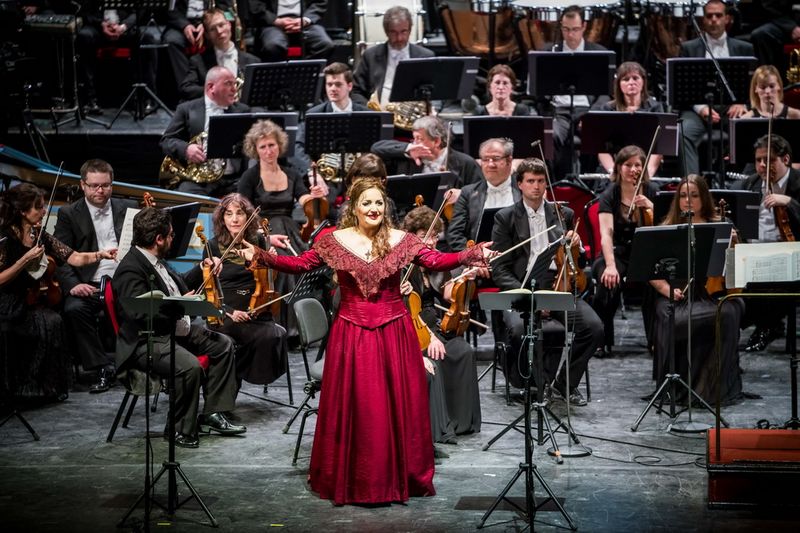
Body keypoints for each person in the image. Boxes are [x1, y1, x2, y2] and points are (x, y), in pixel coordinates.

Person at [236, 178, 495, 505]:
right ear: (354, 208)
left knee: (395, 404)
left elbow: (435, 260)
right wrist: (261, 255)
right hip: (351, 333)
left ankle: (395, 476)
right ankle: (356, 478)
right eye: (367, 203)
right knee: (359, 406)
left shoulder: (401, 239)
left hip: (394, 332)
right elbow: (301, 264)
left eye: (379, 203)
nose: (374, 209)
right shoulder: (335, 240)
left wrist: (471, 254)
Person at [112, 206, 245, 449]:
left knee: (223, 345)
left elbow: (178, 286)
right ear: (159, 239)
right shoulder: (131, 269)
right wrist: (180, 305)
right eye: (171, 235)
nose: (173, 239)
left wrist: (203, 268)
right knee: (189, 367)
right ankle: (177, 429)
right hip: (147, 340)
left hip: (174, 329)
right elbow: (139, 313)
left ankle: (212, 413)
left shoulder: (155, 259)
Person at [491, 158, 603, 405]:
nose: (536, 186)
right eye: (531, 181)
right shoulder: (505, 217)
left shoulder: (563, 214)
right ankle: (536, 386)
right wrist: (527, 296)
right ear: (520, 184)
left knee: (594, 328)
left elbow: (577, 263)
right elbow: (499, 269)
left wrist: (577, 248)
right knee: (520, 330)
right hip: (522, 287)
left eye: (541, 181)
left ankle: (564, 384)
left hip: (557, 286)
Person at [0, 183, 117, 400]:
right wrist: (24, 260)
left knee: (54, 321)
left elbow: (73, 257)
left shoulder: (38, 234)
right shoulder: (5, 238)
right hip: (6, 302)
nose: (44, 211)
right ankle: (13, 389)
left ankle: (41, 389)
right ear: (23, 211)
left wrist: (100, 254)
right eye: (38, 207)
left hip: (27, 301)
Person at [648, 175, 745, 405]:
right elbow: (651, 270)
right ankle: (674, 387)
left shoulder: (721, 226)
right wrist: (666, 289)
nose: (688, 200)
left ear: (704, 198)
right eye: (683, 196)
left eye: (694, 195)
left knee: (729, 312)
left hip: (712, 294)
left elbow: (737, 273)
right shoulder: (667, 227)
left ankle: (712, 388)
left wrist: (734, 246)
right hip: (678, 294)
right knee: (669, 316)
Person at [237, 119, 327, 334]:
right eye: (263, 147)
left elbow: (304, 200)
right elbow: (243, 214)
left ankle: (309, 326)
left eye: (272, 145)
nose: (268, 151)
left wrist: (314, 197)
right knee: (284, 267)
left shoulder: (292, 174)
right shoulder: (250, 177)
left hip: (289, 230)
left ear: (279, 145)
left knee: (310, 263)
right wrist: (264, 236)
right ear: (255, 150)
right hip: (261, 231)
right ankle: (287, 328)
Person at [53, 159, 136, 394]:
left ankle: (136, 362)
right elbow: (61, 256)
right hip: (88, 281)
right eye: (94, 186)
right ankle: (101, 367)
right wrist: (73, 285)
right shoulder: (69, 213)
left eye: (105, 185)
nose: (100, 190)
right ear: (83, 185)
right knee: (74, 308)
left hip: (122, 279)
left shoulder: (128, 207)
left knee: (143, 305)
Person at [401, 205, 482, 437]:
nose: (431, 241)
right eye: (425, 235)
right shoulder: (404, 265)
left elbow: (447, 293)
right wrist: (431, 338)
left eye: (435, 236)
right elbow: (408, 312)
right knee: (438, 354)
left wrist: (465, 277)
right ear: (411, 237)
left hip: (435, 324)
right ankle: (440, 423)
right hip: (415, 329)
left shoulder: (435, 262)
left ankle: (462, 422)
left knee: (463, 351)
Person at [202, 193, 290, 388]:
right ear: (222, 219)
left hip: (256, 308)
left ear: (247, 216)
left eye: (239, 213)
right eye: (229, 214)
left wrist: (271, 262)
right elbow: (209, 291)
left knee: (273, 335)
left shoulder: (258, 241)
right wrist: (230, 312)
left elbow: (269, 280)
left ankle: (233, 373)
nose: (234, 219)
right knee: (258, 336)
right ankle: (231, 376)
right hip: (225, 311)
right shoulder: (212, 246)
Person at [591, 145, 660, 356]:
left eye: (637, 165)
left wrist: (652, 207)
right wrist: (610, 266)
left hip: (646, 253)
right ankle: (601, 340)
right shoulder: (609, 195)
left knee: (656, 285)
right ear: (619, 167)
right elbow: (606, 234)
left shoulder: (652, 191)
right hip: (616, 252)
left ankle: (656, 340)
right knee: (607, 281)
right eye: (628, 165)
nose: (633, 169)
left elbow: (667, 224)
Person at [736, 134, 800, 351]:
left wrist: (789, 202)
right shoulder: (750, 184)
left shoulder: (798, 182)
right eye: (758, 160)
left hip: (792, 253)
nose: (762, 165)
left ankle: (766, 324)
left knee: (772, 273)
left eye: (769, 160)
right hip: (755, 252)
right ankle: (762, 324)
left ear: (786, 159)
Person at [678, 0, 753, 176]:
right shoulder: (688, 48)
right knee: (683, 132)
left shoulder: (744, 48)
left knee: (749, 127)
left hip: (731, 108)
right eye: (709, 16)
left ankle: (742, 182)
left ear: (727, 18)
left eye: (718, 15)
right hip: (698, 110)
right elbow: (683, 86)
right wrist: (701, 108)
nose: (713, 19)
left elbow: (753, 83)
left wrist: (742, 103)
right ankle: (691, 184)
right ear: (702, 19)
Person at [292, 62, 372, 212]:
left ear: (349, 86)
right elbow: (297, 146)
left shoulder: (365, 114)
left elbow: (374, 148)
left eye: (338, 84)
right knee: (316, 209)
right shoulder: (314, 114)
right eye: (329, 84)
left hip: (357, 176)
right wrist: (312, 173)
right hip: (327, 179)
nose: (332, 89)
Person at [160, 66, 250, 197]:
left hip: (234, 179)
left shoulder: (242, 111)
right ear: (211, 87)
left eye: (234, 84)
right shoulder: (186, 109)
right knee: (186, 195)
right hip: (198, 181)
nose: (234, 89)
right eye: (228, 84)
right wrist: (186, 149)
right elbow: (166, 141)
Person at [544, 5, 609, 179]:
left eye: (575, 29)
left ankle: (589, 186)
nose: (570, 34)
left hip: (587, 111)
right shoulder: (549, 52)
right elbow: (540, 90)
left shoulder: (599, 53)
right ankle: (554, 184)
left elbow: (605, 93)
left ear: (584, 27)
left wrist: (592, 116)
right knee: (550, 137)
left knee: (596, 137)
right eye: (565, 29)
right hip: (560, 110)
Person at [76, 1, 158, 115]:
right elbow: (85, 11)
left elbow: (138, 10)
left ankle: (148, 99)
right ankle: (90, 99)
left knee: (147, 38)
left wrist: (123, 26)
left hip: (124, 28)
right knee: (84, 37)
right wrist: (101, 24)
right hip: (98, 28)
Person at [446, 138, 520, 252]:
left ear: (509, 161)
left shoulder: (523, 190)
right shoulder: (467, 193)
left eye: (496, 159)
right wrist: (474, 254)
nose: (490, 164)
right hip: (479, 258)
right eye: (485, 159)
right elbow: (454, 235)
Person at [371, 115, 483, 190]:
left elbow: (479, 192)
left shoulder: (465, 163)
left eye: (419, 139)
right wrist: (407, 148)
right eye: (414, 139)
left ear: (436, 141)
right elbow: (376, 148)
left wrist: (461, 194)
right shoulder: (409, 156)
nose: (415, 143)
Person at [352, 5, 435, 106]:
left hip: (415, 114)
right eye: (393, 32)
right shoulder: (370, 56)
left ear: (410, 30)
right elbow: (356, 91)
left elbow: (436, 91)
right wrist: (371, 110)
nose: (399, 38)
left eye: (403, 32)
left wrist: (431, 109)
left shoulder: (426, 56)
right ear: (386, 31)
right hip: (380, 112)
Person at [598, 61, 665, 179]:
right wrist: (613, 172)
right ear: (618, 84)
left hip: (645, 167)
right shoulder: (608, 109)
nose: (631, 82)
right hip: (615, 168)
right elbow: (601, 147)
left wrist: (647, 173)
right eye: (626, 79)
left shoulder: (655, 108)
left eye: (635, 78)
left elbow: (660, 146)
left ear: (643, 81)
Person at [178, 8, 260, 102]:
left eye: (221, 25)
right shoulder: (198, 61)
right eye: (213, 29)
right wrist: (214, 91)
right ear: (207, 35)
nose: (219, 31)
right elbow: (186, 88)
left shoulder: (253, 61)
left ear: (229, 25)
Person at [247, 0, 334, 62]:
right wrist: (275, 20)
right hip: (273, 23)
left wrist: (305, 20)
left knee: (324, 44)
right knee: (274, 45)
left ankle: (306, 74)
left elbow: (319, 2)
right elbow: (256, 6)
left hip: (303, 21)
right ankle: (280, 78)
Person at [750, 0, 800, 76]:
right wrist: (792, 28)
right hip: (786, 22)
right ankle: (768, 78)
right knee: (761, 35)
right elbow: (770, 7)